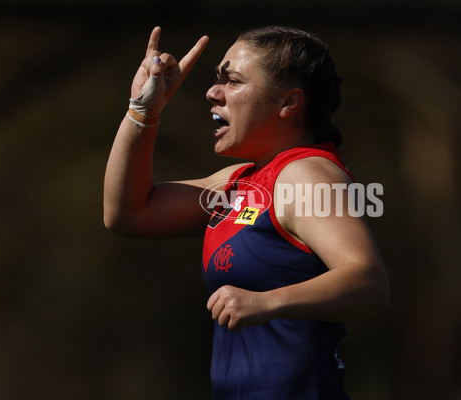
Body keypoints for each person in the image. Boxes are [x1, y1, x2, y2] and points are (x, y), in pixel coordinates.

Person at [104, 25, 389, 399]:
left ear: (288, 103)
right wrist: (143, 110)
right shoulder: (240, 183)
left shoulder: (305, 175)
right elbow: (130, 214)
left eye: (233, 80)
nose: (212, 92)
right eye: (216, 79)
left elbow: (368, 281)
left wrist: (269, 300)